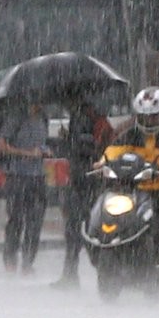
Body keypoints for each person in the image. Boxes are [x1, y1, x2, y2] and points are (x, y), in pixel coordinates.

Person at [99, 87, 159, 285]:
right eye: (144, 117)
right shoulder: (130, 135)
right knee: (105, 210)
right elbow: (113, 151)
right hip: (134, 188)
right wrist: (102, 162)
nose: (148, 121)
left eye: (153, 117)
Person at [51, 96, 113, 290]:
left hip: (82, 181)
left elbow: (83, 149)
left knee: (79, 230)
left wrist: (67, 139)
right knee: (83, 230)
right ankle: (89, 273)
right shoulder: (93, 118)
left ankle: (93, 274)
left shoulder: (82, 118)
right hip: (88, 180)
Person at [0, 101, 51, 275]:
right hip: (18, 176)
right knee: (16, 221)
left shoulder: (43, 118)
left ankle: (28, 263)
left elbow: (41, 145)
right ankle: (10, 260)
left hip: (38, 177)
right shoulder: (16, 118)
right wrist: (27, 154)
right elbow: (1, 146)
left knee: (35, 223)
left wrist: (45, 151)